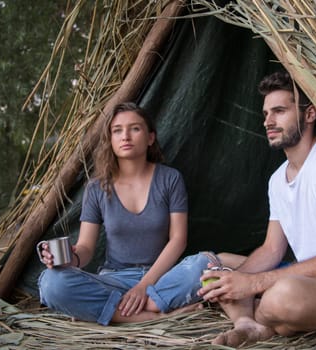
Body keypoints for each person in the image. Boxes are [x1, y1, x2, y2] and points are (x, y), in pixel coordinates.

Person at [198, 71, 316, 347]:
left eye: (279, 111)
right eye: (266, 113)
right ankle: (249, 324)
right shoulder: (277, 179)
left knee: (283, 295)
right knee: (221, 265)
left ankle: (257, 314)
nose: (268, 121)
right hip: (309, 276)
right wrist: (236, 278)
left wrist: (252, 285)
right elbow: (271, 249)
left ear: (310, 114)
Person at [38, 102, 219, 325]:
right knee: (51, 283)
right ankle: (157, 316)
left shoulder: (170, 179)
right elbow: (86, 248)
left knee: (202, 266)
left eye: (135, 128)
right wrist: (71, 259)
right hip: (113, 279)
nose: (125, 136)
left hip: (161, 278)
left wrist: (144, 286)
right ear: (110, 140)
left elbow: (178, 240)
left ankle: (111, 312)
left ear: (150, 137)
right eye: (117, 130)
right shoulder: (97, 188)